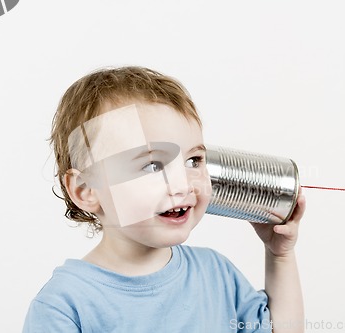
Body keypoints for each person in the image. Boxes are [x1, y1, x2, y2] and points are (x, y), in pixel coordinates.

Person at [23, 66, 306, 333]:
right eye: (153, 166)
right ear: (86, 190)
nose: (183, 183)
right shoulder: (65, 305)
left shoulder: (215, 273)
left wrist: (279, 255)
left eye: (193, 160)